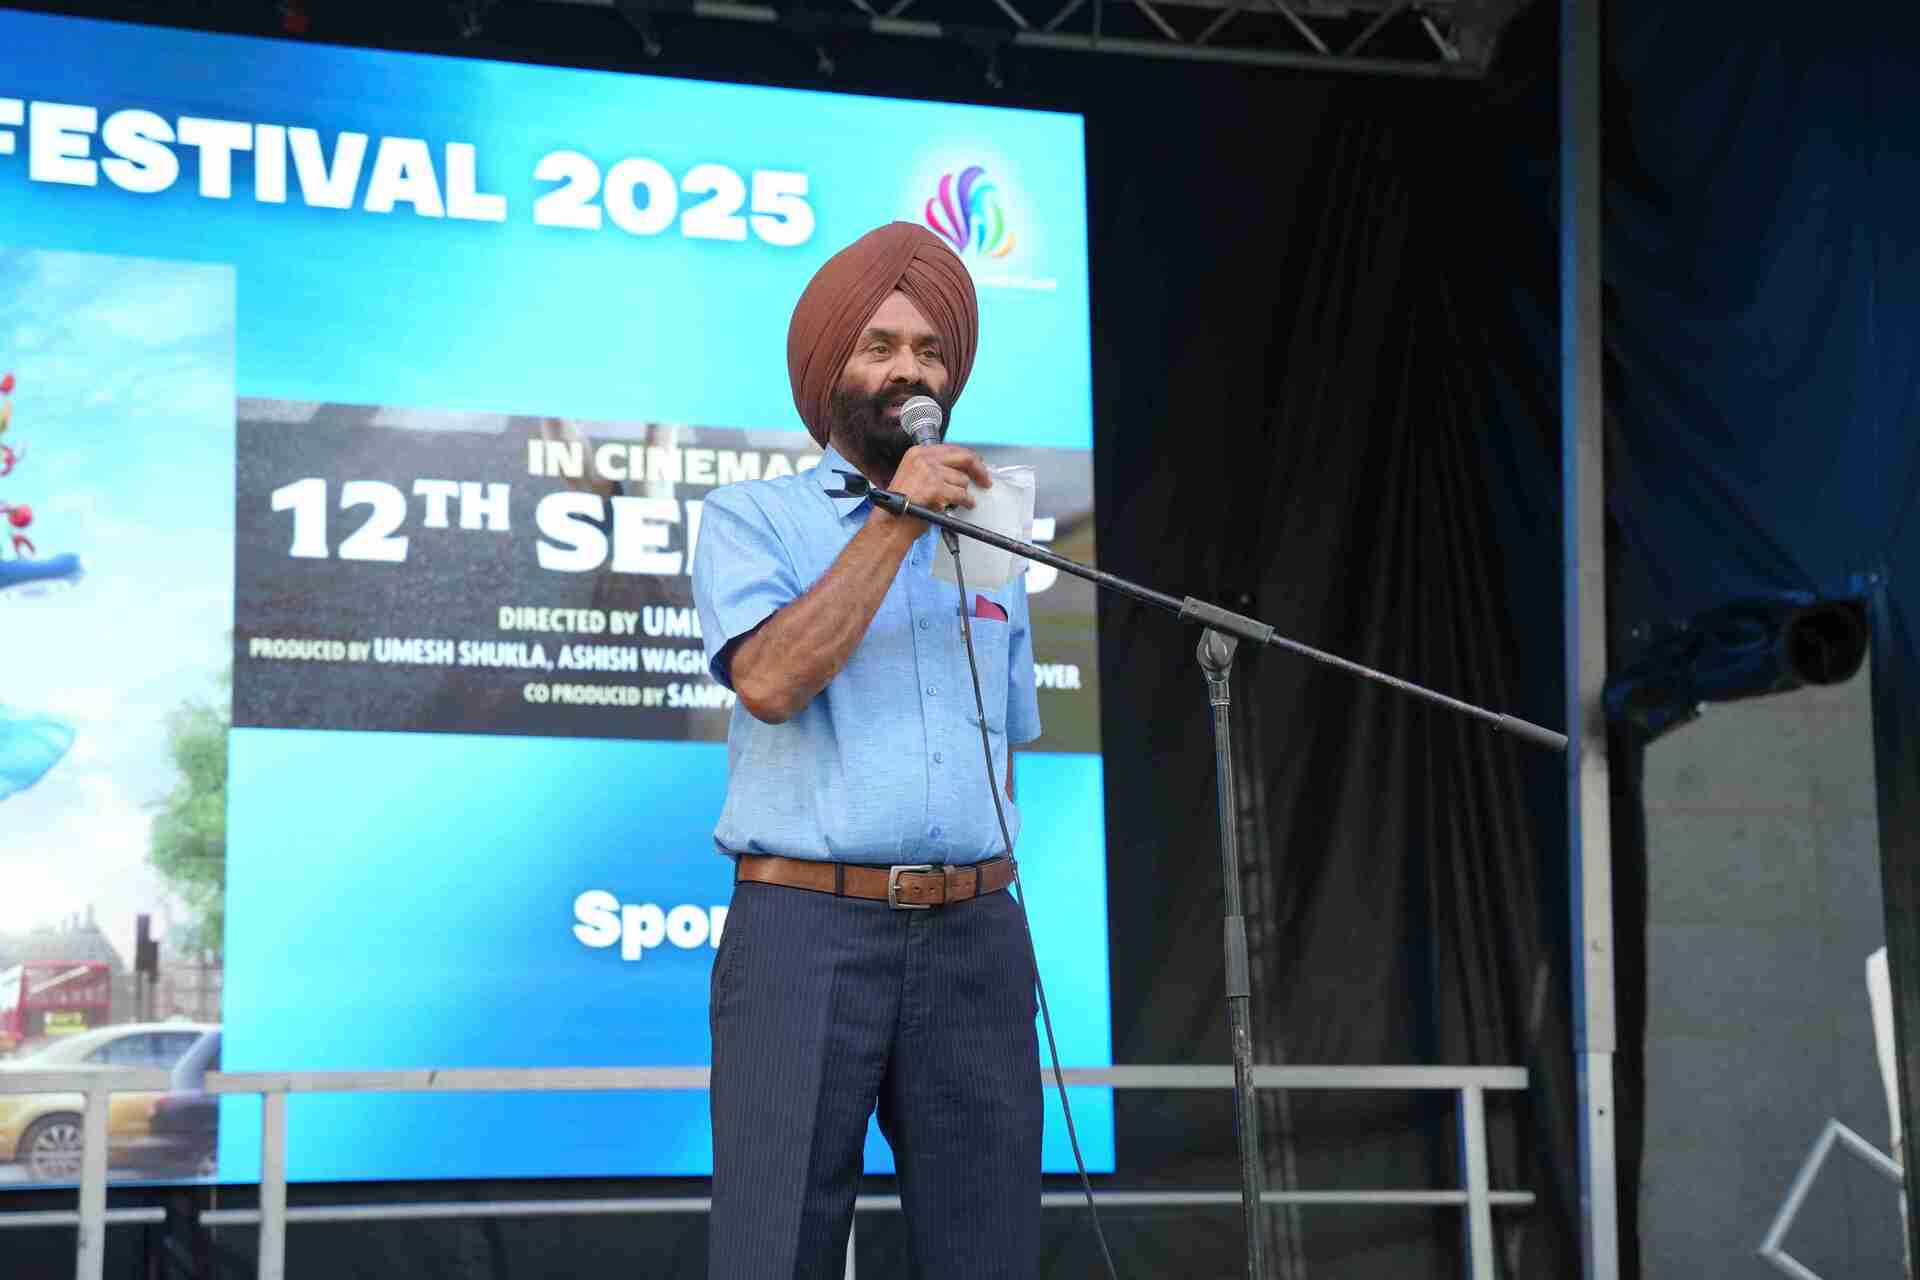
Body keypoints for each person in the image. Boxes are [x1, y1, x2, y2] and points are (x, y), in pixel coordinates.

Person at [691, 221, 1044, 1280]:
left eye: (930, 351)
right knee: (774, 1250)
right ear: (831, 368)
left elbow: (1005, 741)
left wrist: (986, 881)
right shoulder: (752, 518)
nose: (909, 371)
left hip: (975, 934)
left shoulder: (990, 529)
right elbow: (769, 681)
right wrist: (897, 519)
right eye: (879, 345)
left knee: (989, 1253)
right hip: (808, 930)